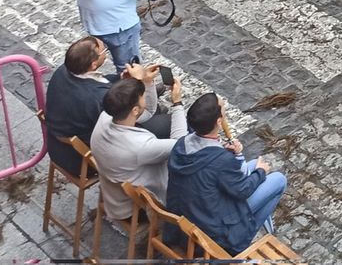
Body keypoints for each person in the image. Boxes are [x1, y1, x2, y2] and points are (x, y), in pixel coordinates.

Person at [167, 93, 287, 254]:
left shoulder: (181, 144)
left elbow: (213, 170)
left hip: (190, 214)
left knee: (249, 165)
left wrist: (235, 155)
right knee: (278, 180)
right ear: (218, 121)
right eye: (223, 109)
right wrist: (260, 172)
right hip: (213, 227)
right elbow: (243, 190)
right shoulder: (221, 160)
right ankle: (246, 238)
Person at [45, 37, 170, 173]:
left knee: (155, 112)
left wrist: (122, 80)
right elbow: (144, 114)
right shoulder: (98, 98)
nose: (106, 51)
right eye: (104, 50)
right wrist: (144, 82)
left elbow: (99, 81)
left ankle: (148, 97)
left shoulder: (64, 70)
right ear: (93, 64)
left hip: (59, 146)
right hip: (84, 161)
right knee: (170, 121)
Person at [90, 70, 188, 222]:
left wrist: (147, 83)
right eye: (142, 97)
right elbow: (180, 143)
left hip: (115, 193)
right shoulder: (140, 147)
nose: (144, 99)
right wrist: (177, 102)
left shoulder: (106, 116)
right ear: (134, 110)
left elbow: (147, 112)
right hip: (135, 208)